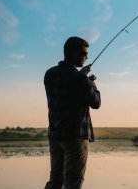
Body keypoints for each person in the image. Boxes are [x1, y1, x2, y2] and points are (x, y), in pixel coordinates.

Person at [44, 36, 101, 189]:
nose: (86, 57)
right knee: (73, 183)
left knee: (55, 181)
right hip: (75, 137)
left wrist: (81, 76)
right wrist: (91, 82)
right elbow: (96, 103)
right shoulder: (81, 80)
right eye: (84, 53)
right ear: (73, 53)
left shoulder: (49, 74)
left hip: (55, 136)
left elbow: (68, 86)